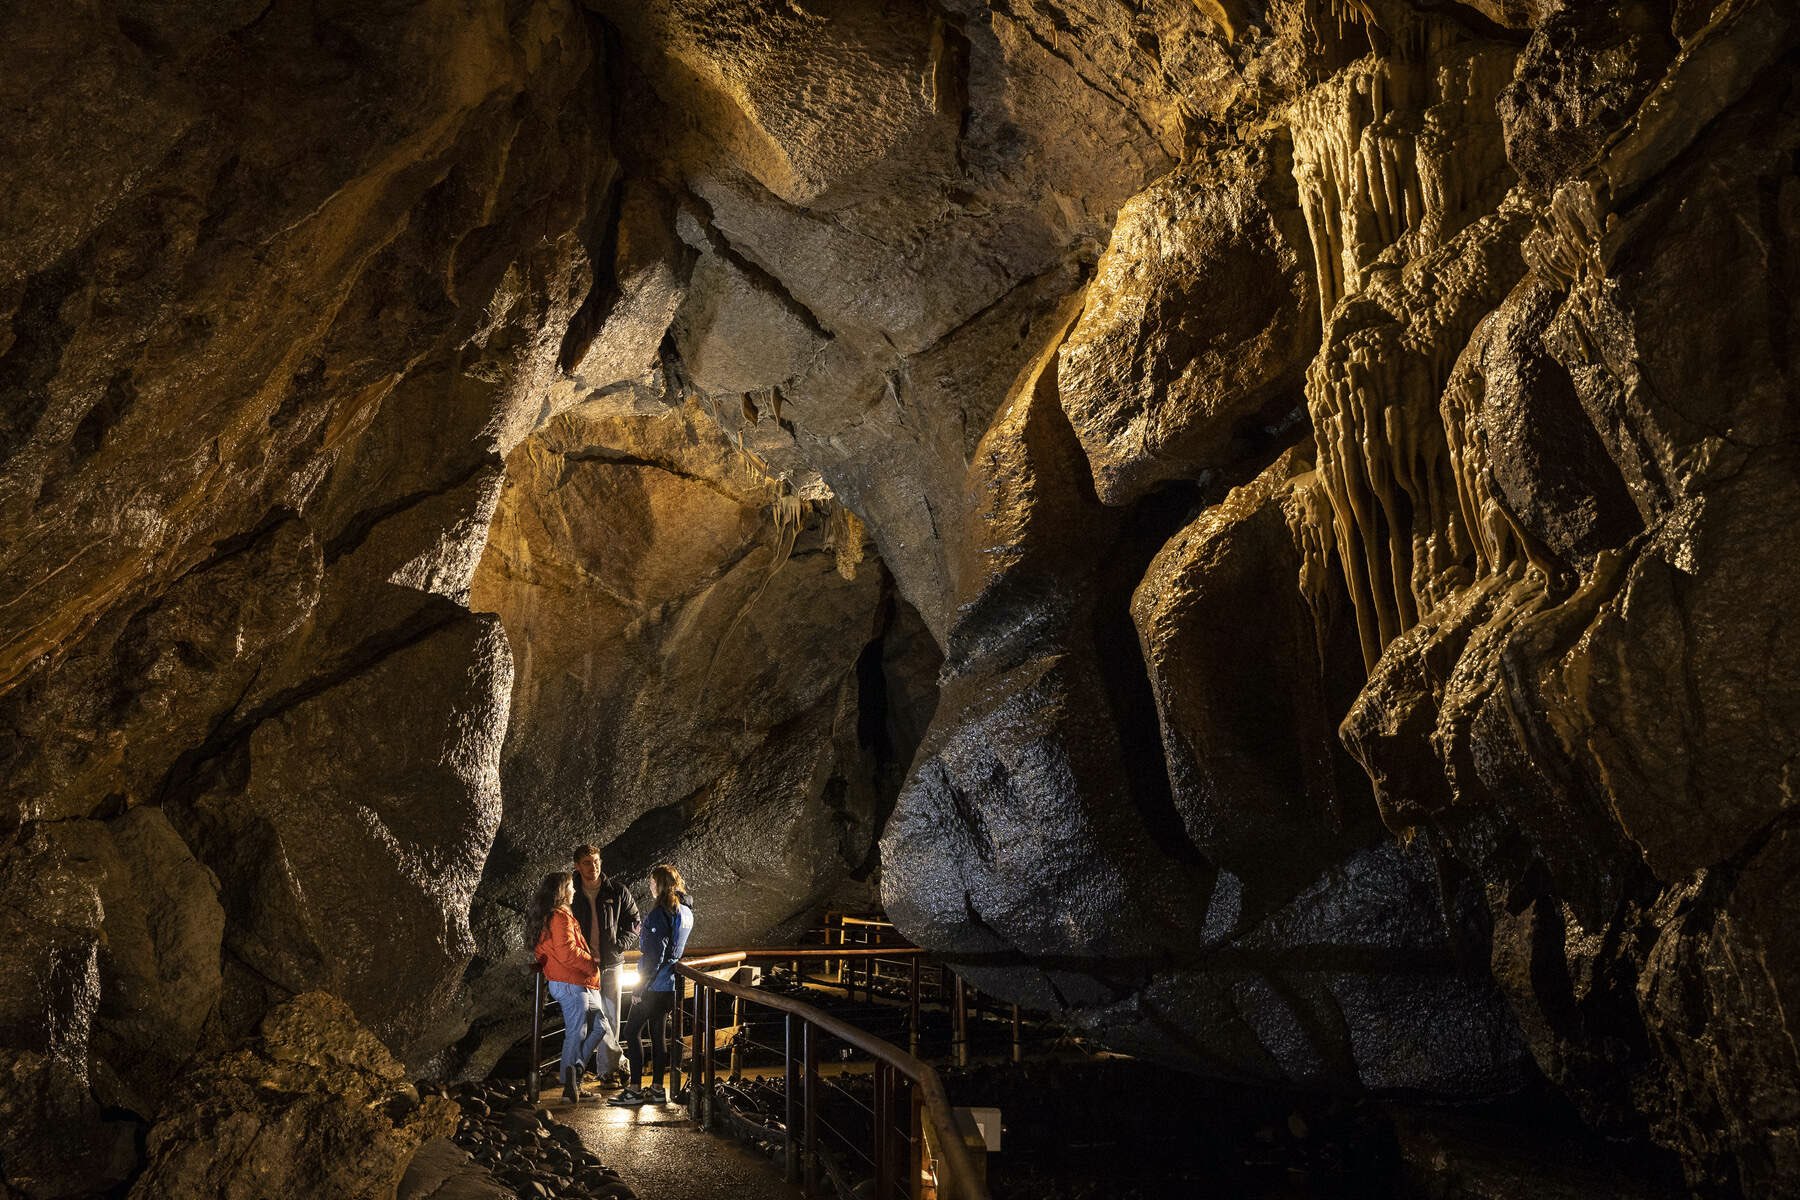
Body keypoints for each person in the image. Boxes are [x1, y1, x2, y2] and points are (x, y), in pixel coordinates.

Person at [609, 864, 693, 1107]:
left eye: (653, 882)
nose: (650, 886)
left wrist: (639, 988)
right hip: (670, 986)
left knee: (630, 1032)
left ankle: (634, 1089)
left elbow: (655, 955)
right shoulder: (685, 912)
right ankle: (657, 1089)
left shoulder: (660, 913)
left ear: (661, 884)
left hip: (654, 986)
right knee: (658, 1035)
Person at [530, 872, 611, 1104]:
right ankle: (569, 1086)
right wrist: (591, 965)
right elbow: (566, 952)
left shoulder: (556, 917)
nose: (575, 891)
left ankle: (574, 1073)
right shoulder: (559, 918)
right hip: (571, 983)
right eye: (571, 887)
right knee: (577, 1032)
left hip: (577, 983)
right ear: (562, 891)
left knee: (601, 1026)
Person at [570, 844, 640, 1078]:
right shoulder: (570, 893)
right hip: (583, 965)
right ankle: (591, 1068)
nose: (594, 867)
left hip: (611, 964)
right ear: (577, 866)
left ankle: (607, 1071)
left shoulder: (616, 890)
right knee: (590, 1018)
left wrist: (619, 944)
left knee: (610, 1015)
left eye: (597, 861)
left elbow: (634, 921)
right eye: (588, 863)